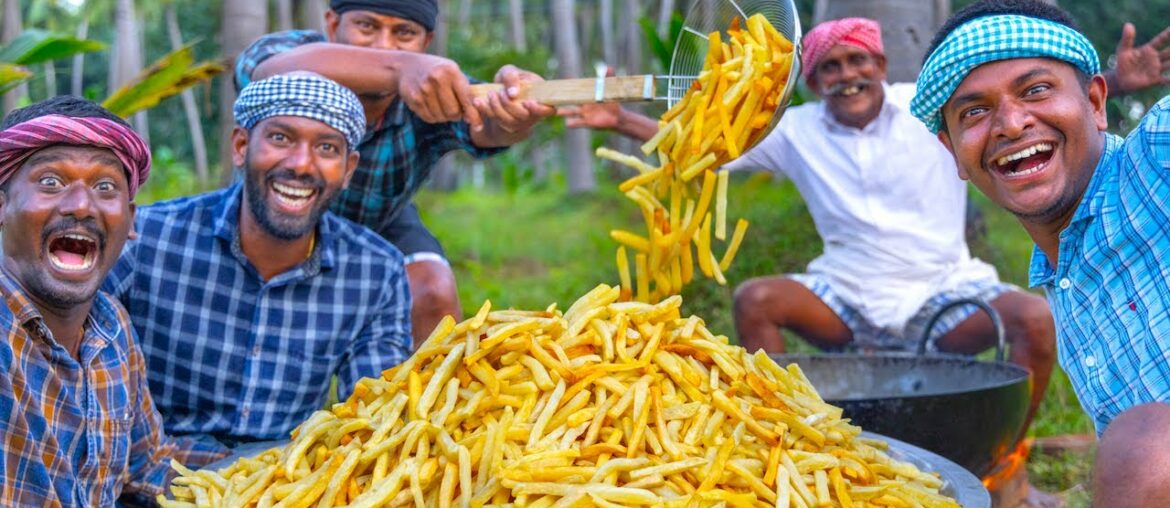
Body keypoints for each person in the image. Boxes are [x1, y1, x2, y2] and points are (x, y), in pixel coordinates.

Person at [913, 1, 1170, 504]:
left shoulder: (1155, 157)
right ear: (954, 153)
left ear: (1095, 103)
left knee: (1142, 446)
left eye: (1036, 90)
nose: (1010, 124)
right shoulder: (1061, 276)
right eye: (974, 112)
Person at [102, 73, 412, 446]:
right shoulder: (146, 238)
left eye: (327, 148)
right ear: (241, 146)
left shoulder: (375, 272)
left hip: (282, 474)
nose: (301, 164)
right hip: (150, 465)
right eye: (280, 138)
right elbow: (75, 369)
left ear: (348, 170)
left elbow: (376, 418)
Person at [235, 0, 556, 347]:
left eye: (404, 33)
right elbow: (264, 71)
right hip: (273, 217)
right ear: (333, 25)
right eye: (367, 26)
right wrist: (401, 66)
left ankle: (430, 381)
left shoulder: (434, 95)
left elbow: (487, 126)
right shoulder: (292, 52)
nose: (384, 44)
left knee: (433, 288)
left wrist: (514, 114)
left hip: (379, 222)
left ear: (426, 41)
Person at [0, 96, 226, 505]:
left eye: (105, 187)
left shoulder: (112, 326)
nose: (81, 206)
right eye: (51, 182)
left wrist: (274, 465)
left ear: (131, 220)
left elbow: (148, 465)